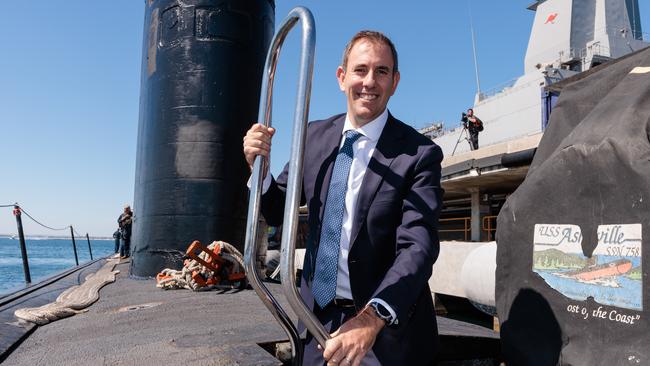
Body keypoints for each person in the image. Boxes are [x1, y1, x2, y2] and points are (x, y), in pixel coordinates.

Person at [243, 30, 443, 365]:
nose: (370, 81)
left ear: (394, 82)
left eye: (381, 72)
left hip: (383, 334)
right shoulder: (313, 137)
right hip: (315, 325)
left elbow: (418, 247)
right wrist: (260, 170)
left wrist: (371, 317)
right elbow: (280, 210)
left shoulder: (420, 155)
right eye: (360, 69)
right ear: (341, 77)